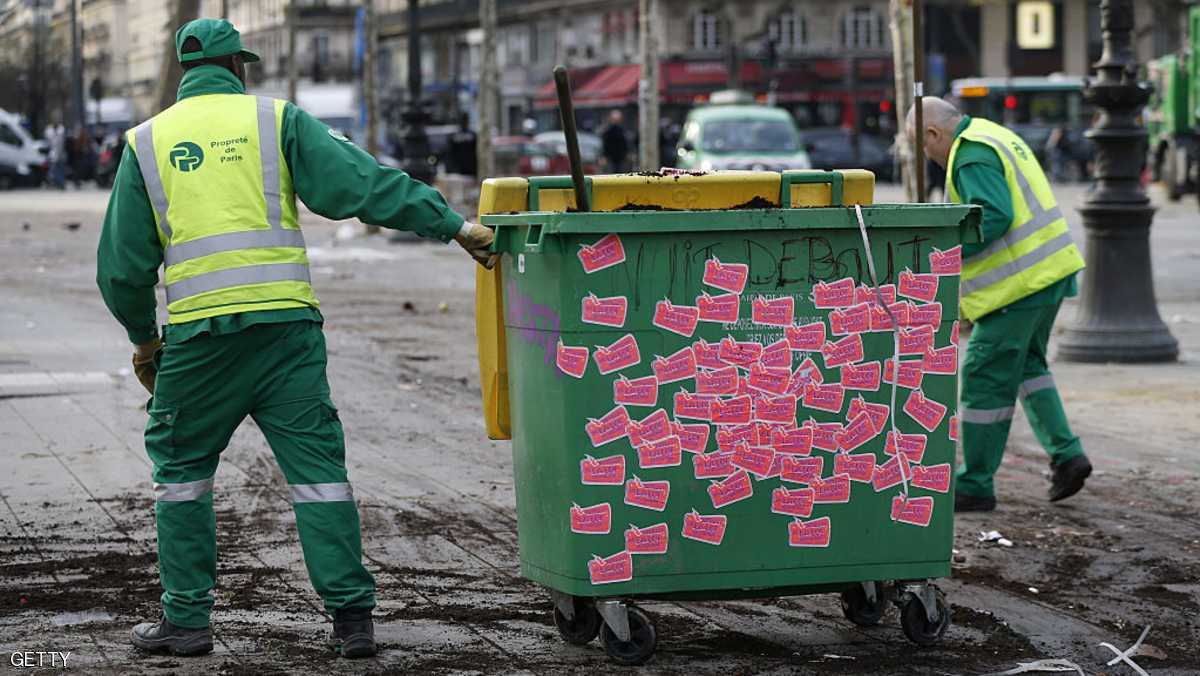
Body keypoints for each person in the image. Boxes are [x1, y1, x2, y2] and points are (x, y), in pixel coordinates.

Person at [96, 18, 494, 659]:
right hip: (288, 332)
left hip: (202, 340)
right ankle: (352, 621)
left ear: (181, 71)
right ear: (239, 68)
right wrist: (451, 224)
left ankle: (187, 623)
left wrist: (145, 341)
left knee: (181, 474)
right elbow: (361, 185)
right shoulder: (276, 120)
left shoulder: (145, 142)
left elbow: (121, 266)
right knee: (318, 475)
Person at [905, 98, 1092, 513]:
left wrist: (942, 250)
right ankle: (1068, 455)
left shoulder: (969, 154)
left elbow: (993, 216)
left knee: (983, 375)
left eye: (922, 146)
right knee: (1028, 367)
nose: (926, 156)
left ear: (933, 134)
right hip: (1048, 275)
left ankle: (974, 484)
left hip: (1019, 288)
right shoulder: (994, 134)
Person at [601, 108, 629, 173]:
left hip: (621, 157)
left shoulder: (622, 130)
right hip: (610, 158)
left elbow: (625, 143)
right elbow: (605, 144)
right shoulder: (608, 131)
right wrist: (604, 156)